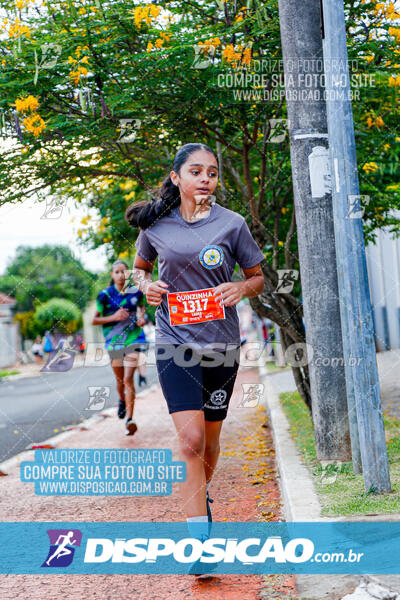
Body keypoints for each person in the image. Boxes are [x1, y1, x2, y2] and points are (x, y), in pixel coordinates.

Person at [125, 143, 265, 575]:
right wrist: (145, 286)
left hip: (221, 344)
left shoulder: (233, 224)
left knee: (210, 440)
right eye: (196, 171)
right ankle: (199, 544)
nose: (206, 178)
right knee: (189, 443)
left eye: (212, 173)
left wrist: (240, 290)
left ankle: (199, 491)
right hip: (173, 343)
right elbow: (139, 268)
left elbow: (257, 277)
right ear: (176, 178)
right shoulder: (156, 225)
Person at [92, 260, 147, 436]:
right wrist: (114, 317)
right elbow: (95, 320)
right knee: (120, 380)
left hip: (134, 338)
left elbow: (142, 308)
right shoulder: (104, 295)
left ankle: (130, 420)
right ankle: (122, 400)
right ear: (112, 275)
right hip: (114, 341)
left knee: (129, 378)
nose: (121, 275)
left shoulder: (136, 292)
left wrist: (141, 318)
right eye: (117, 272)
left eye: (124, 271)